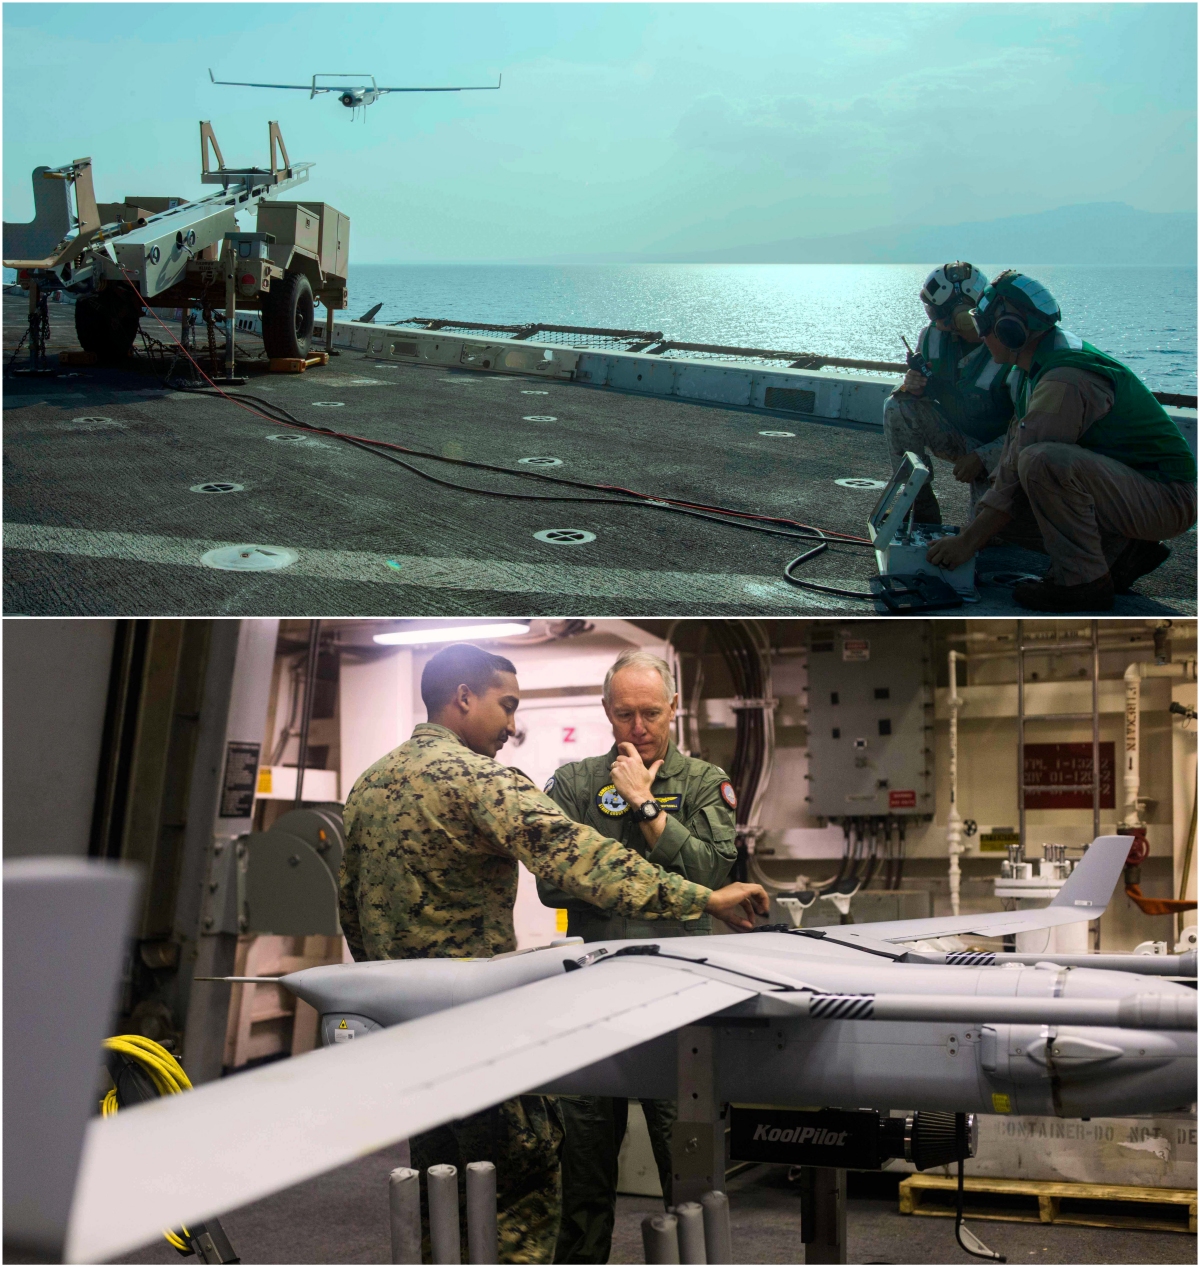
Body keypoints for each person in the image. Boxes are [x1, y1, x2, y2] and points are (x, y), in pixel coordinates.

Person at [338, 643, 768, 1265]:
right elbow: (578, 863)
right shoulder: (483, 780)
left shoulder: (370, 783)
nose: (513, 726)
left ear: (673, 711)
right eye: (507, 706)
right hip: (483, 1027)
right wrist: (702, 897)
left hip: (414, 1032)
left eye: (651, 712)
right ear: (464, 699)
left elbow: (351, 906)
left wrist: (382, 996)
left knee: (441, 1188)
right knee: (524, 1189)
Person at [536, 650, 738, 1265]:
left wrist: (646, 809)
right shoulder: (573, 784)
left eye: (651, 712)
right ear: (606, 712)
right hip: (592, 996)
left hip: (677, 1001)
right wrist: (656, 872)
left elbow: (714, 873)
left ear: (673, 709)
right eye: (625, 714)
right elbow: (551, 883)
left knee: (692, 1173)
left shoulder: (704, 782)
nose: (638, 726)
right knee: (584, 1169)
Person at [926, 270, 1197, 611]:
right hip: (1132, 488)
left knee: (1043, 463)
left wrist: (967, 543)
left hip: (1165, 496)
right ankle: (1120, 551)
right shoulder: (1032, 368)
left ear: (1010, 330)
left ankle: (1083, 584)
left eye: (984, 327)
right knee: (1002, 505)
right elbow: (1009, 467)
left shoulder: (1063, 379)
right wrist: (974, 533)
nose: (980, 337)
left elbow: (1028, 462)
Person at [883, 262, 1014, 521]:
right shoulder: (931, 338)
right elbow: (923, 394)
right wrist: (913, 387)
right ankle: (919, 505)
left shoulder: (1010, 347)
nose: (935, 321)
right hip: (957, 434)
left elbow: (1029, 427)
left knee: (987, 538)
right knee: (897, 405)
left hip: (1005, 452)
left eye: (938, 313)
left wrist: (984, 456)